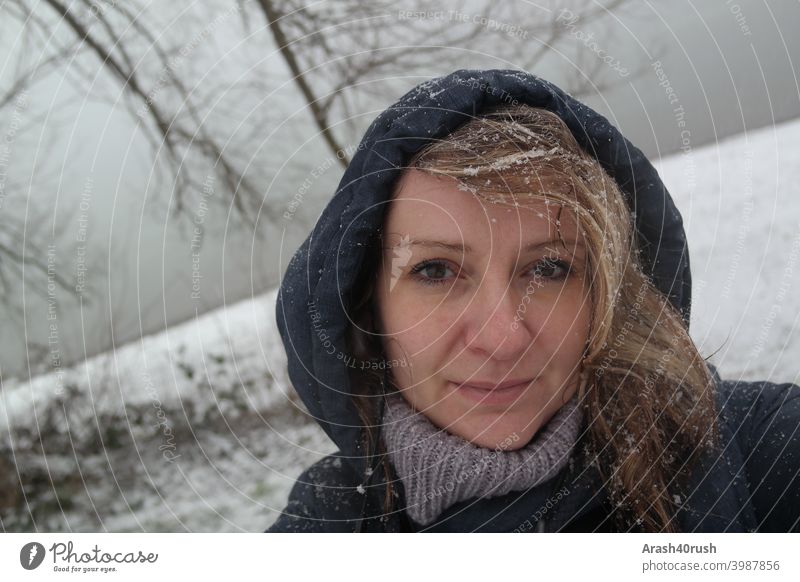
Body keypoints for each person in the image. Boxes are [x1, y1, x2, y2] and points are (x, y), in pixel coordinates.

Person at [268, 69, 800, 533]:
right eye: (435, 270)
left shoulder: (753, 453)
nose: (502, 339)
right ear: (369, 305)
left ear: (606, 294)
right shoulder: (330, 522)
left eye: (548, 268)